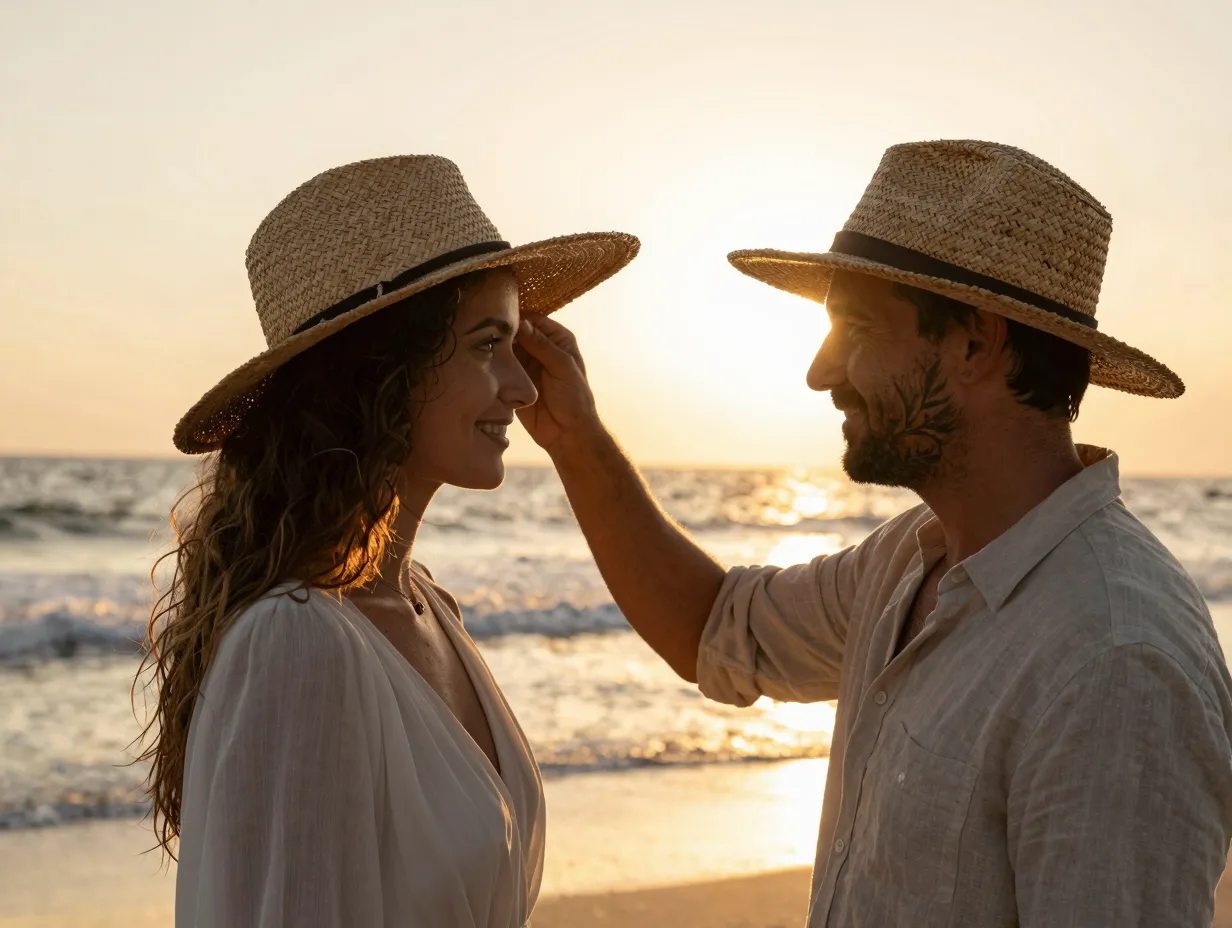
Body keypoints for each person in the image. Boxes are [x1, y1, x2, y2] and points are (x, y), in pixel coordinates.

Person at [512, 139, 1232, 926]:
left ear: (974, 342)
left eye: (853, 327)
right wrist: (575, 441)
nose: (820, 373)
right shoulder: (906, 559)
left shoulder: (1115, 661)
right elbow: (716, 625)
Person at [132, 154, 638, 927]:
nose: (524, 386)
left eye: (518, 346)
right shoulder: (295, 643)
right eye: (486, 344)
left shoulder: (429, 606)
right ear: (381, 372)